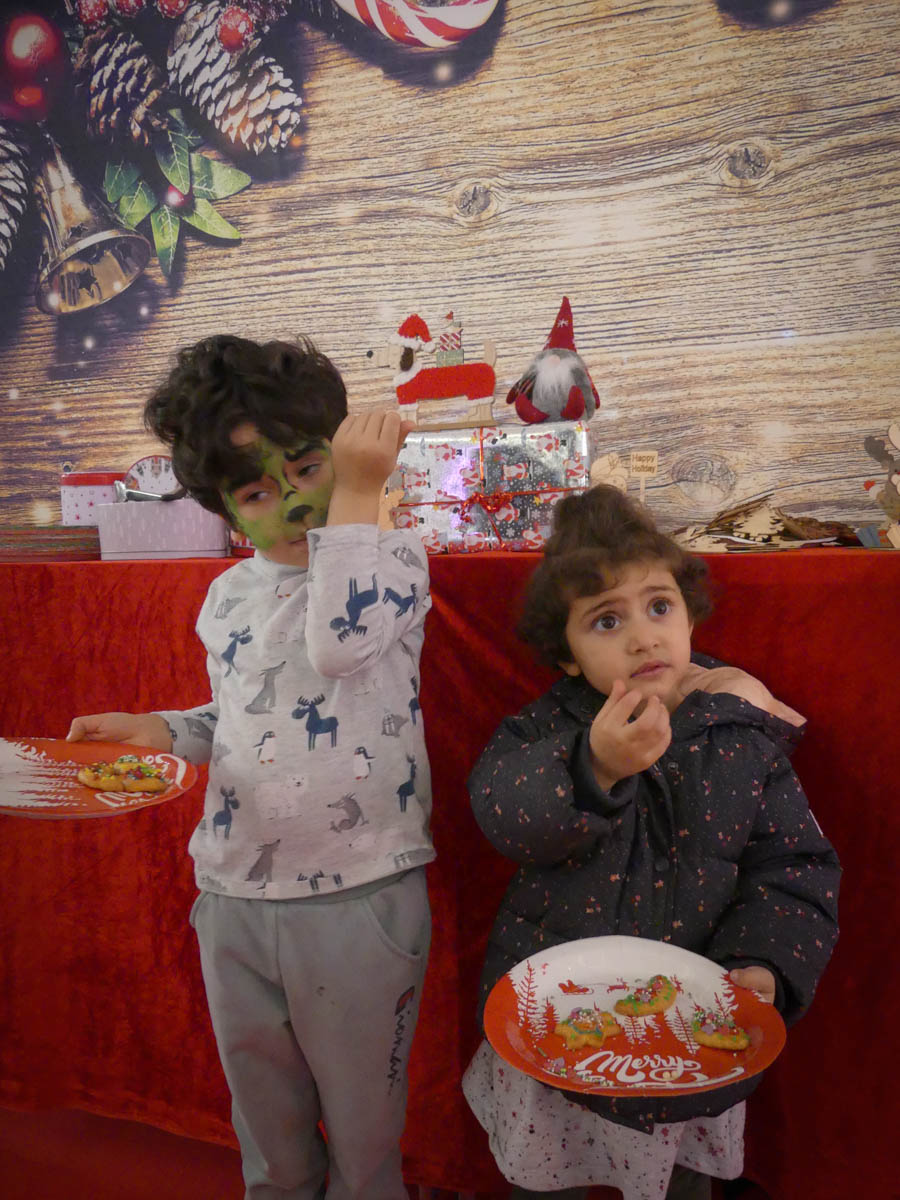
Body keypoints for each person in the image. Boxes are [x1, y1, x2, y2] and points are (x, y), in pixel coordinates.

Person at [68, 334, 434, 1200]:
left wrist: (361, 492)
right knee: (268, 1141)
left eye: (309, 469)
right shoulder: (228, 594)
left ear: (342, 456)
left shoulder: (394, 560)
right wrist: (163, 729)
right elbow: (242, 717)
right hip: (233, 896)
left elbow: (339, 642)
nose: (296, 503)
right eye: (260, 493)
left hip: (358, 897)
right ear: (231, 514)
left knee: (364, 1145)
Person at [462, 484, 840, 1200]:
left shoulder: (740, 735)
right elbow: (503, 813)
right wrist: (593, 766)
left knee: (682, 1185)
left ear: (689, 617)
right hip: (564, 1028)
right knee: (546, 1183)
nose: (643, 637)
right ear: (567, 656)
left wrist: (763, 963)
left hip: (689, 1033)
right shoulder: (541, 732)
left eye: (659, 607)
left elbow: (793, 868)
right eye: (607, 620)